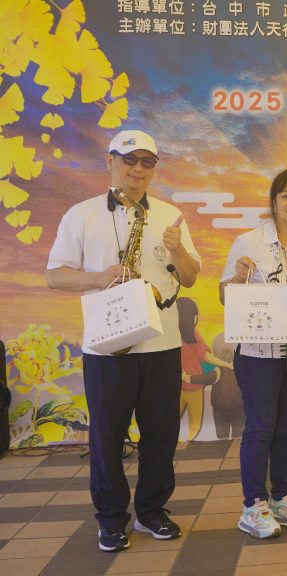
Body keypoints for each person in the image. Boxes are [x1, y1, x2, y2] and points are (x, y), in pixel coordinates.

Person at [46, 130, 201, 551]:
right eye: (129, 159)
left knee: (161, 434)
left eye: (147, 161)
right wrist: (99, 278)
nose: (137, 169)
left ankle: (152, 511)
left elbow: (189, 277)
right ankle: (111, 518)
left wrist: (177, 250)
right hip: (106, 347)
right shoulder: (81, 214)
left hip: (161, 345)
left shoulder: (170, 215)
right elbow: (55, 275)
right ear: (109, 160)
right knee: (107, 437)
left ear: (154, 167)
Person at [220, 169, 287, 539]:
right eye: (286, 195)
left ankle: (283, 498)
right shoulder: (249, 242)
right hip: (257, 353)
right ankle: (253, 506)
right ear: (274, 202)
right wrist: (238, 278)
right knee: (261, 427)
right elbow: (225, 295)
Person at [177, 297, 231, 442]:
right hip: (192, 389)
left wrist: (225, 365)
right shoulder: (192, 335)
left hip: (185, 387)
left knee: (177, 420)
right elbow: (206, 356)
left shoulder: (184, 336)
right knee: (194, 423)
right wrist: (226, 364)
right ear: (193, 317)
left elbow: (205, 356)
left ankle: (175, 442)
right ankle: (185, 441)